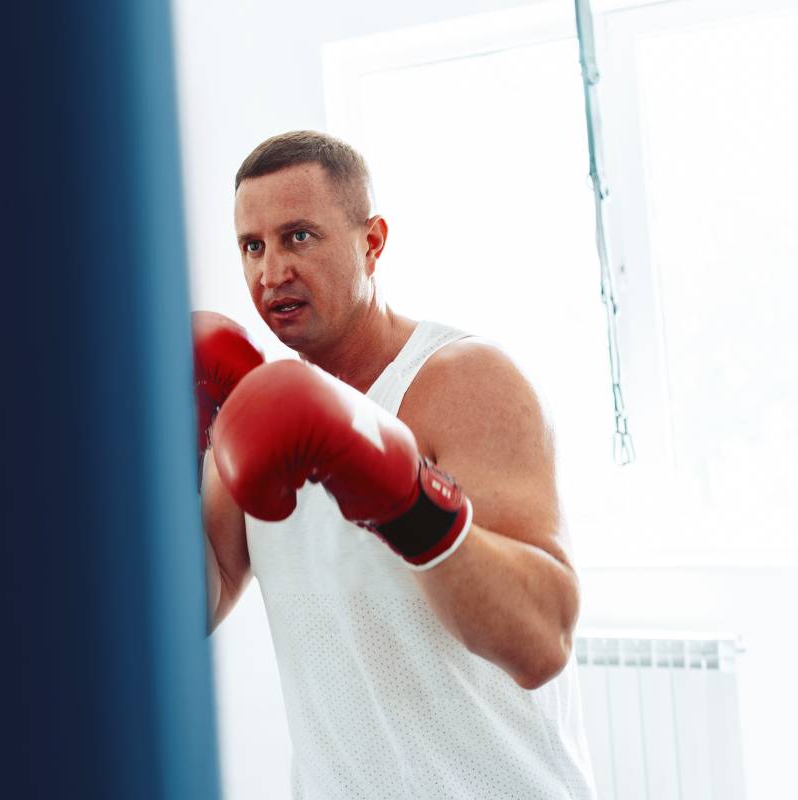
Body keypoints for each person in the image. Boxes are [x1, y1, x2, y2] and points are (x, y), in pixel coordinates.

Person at [192, 131, 595, 798]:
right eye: (252, 246)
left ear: (373, 242)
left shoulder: (465, 381)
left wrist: (404, 499)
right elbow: (196, 605)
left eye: (298, 236)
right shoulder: (257, 414)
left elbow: (541, 642)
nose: (271, 273)